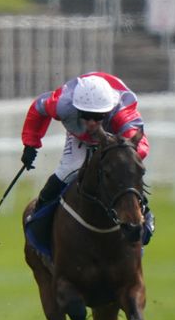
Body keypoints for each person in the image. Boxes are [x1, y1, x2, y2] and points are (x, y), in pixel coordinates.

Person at [20, 72, 153, 238]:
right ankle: (39, 214)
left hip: (114, 136)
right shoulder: (61, 103)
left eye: (97, 117)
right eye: (86, 115)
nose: (91, 123)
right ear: (76, 108)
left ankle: (144, 214)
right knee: (68, 170)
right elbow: (37, 109)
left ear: (108, 110)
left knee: (123, 170)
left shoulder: (122, 111)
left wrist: (120, 157)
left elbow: (138, 144)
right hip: (78, 137)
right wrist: (30, 144)